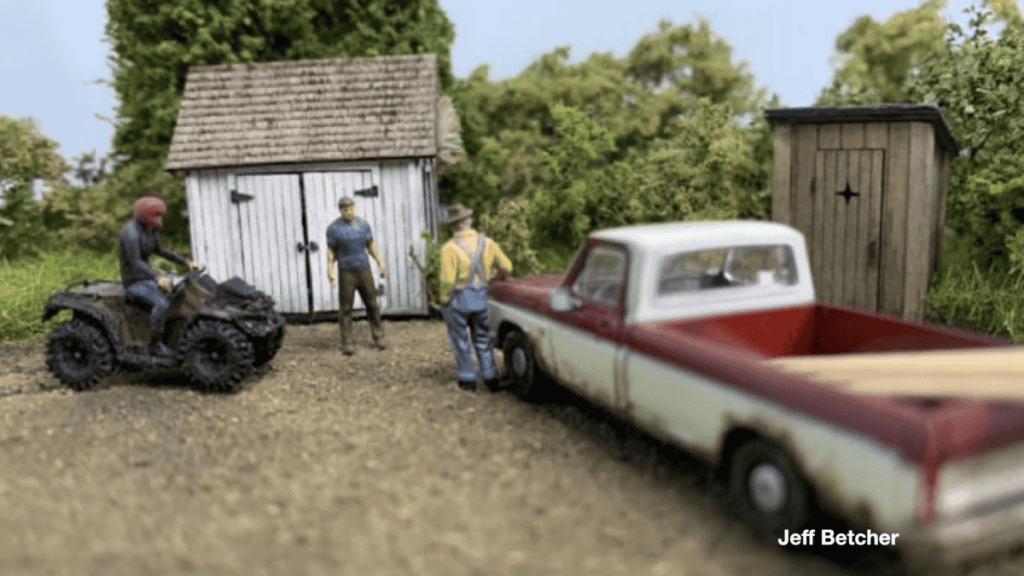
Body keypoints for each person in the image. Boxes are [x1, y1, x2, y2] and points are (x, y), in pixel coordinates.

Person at [439, 203, 513, 391]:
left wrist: (443, 299)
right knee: (483, 338)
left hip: (458, 301)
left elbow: (447, 281)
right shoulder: (487, 242)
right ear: (469, 221)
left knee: (460, 339)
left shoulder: (449, 248)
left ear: (455, 225)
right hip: (481, 298)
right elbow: (507, 267)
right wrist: (491, 278)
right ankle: (491, 377)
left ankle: (467, 379)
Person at [118, 195, 196, 357]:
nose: (160, 220)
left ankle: (173, 334)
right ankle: (154, 345)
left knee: (178, 291)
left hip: (147, 277)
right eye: (157, 216)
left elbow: (161, 250)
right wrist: (158, 277)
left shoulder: (149, 229)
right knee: (161, 303)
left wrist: (186, 262)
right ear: (147, 215)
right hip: (134, 281)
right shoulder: (130, 234)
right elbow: (136, 263)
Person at [326, 197, 388, 355]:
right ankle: (347, 342)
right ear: (340, 211)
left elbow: (371, 245)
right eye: (345, 210)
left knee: (372, 304)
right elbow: (331, 251)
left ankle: (378, 335)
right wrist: (330, 270)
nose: (349, 212)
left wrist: (380, 262)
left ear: (355, 208)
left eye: (351, 208)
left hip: (363, 270)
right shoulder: (333, 229)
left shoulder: (363, 225)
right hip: (346, 272)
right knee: (346, 308)